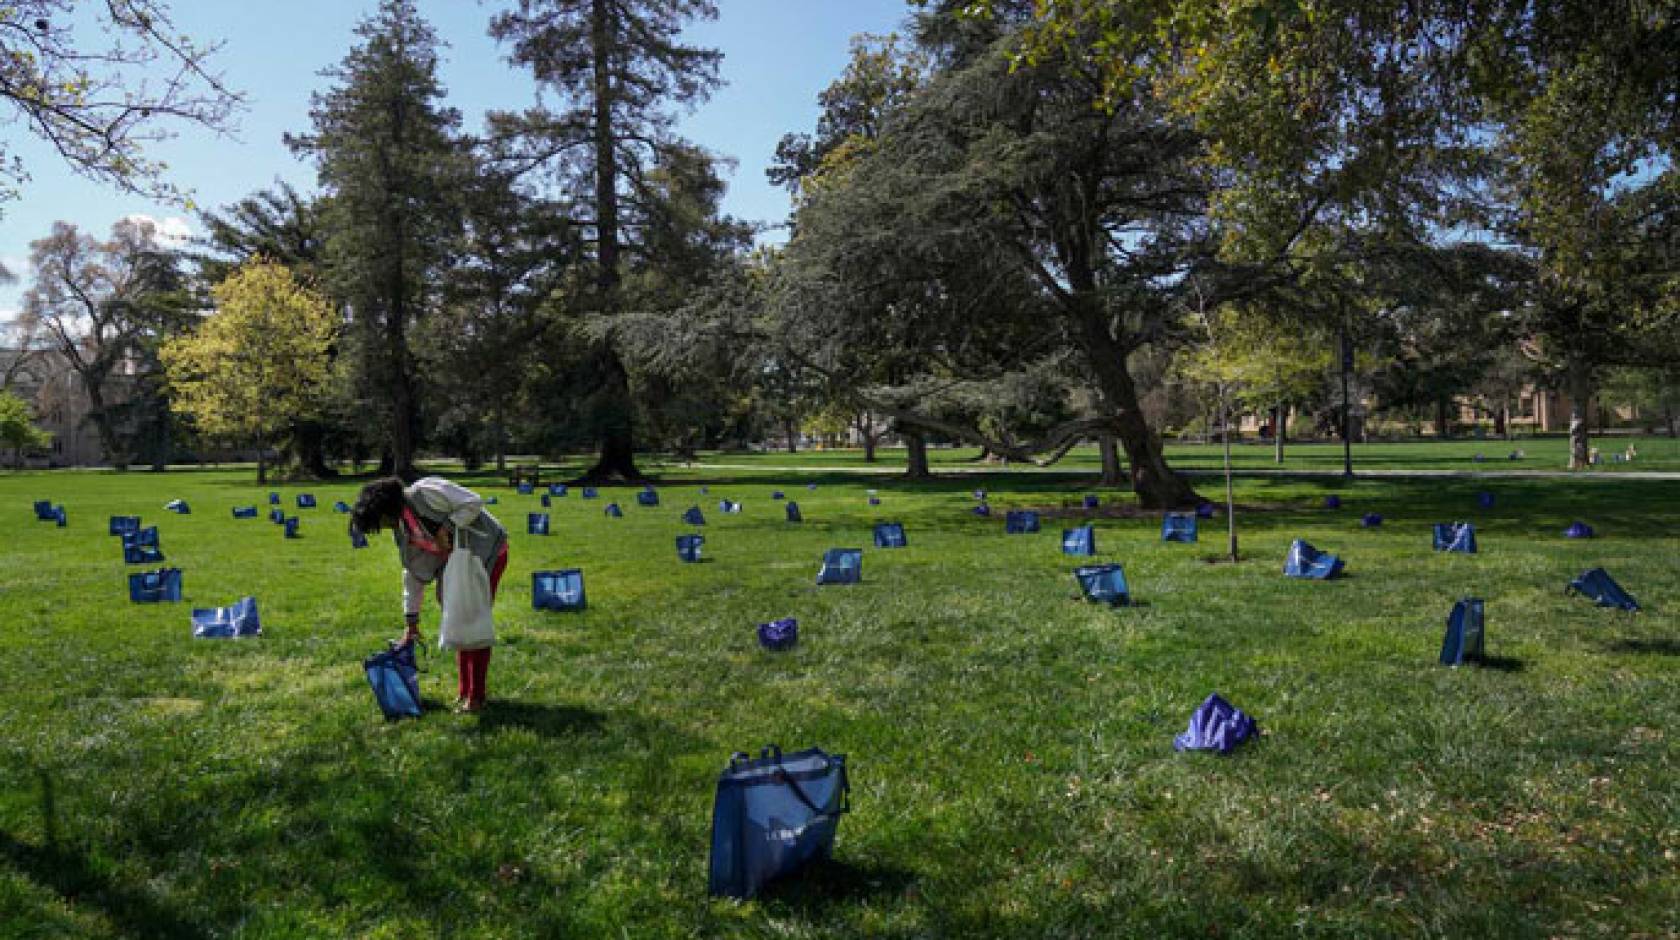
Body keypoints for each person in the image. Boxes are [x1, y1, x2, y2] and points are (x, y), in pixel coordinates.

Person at [352, 476, 509, 713]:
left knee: (473, 621)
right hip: (458, 564)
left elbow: (473, 502)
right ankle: (464, 691)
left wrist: (447, 526)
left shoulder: (425, 493)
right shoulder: (402, 530)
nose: (383, 527)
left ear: (387, 507)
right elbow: (413, 574)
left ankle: (476, 697)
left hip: (485, 554)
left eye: (380, 520)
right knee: (458, 621)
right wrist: (411, 622)